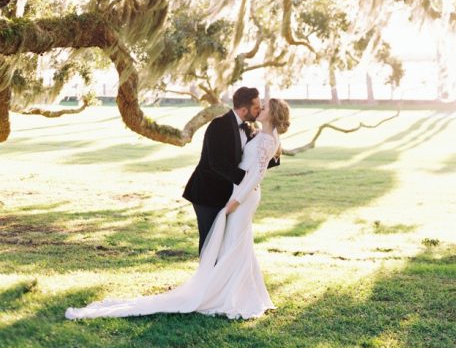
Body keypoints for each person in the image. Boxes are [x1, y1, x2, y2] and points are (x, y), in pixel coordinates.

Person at [66, 98, 290, 321]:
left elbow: (257, 175)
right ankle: (238, 290)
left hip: (244, 197)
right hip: (237, 193)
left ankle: (233, 294)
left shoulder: (268, 140)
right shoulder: (260, 135)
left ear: (273, 114)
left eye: (266, 107)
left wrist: (237, 201)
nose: (261, 109)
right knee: (236, 242)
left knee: (235, 243)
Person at [183, 86, 279, 253]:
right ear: (243, 109)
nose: (259, 110)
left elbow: (255, 158)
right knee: (210, 242)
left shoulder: (248, 127)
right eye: (256, 107)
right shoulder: (219, 125)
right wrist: (247, 179)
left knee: (225, 243)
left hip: (228, 193)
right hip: (207, 194)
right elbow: (216, 163)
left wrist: (274, 152)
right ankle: (207, 278)